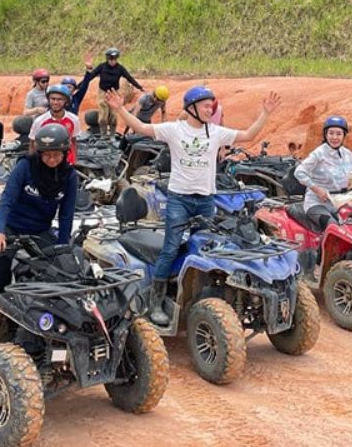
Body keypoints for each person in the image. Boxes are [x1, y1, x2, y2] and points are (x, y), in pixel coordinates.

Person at [107, 85, 280, 324]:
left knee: (205, 249)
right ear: (192, 108)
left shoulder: (216, 132)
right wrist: (119, 110)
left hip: (206, 200)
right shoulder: (174, 130)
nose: (211, 109)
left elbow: (248, 135)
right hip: (179, 199)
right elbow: (141, 127)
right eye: (206, 105)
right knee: (171, 248)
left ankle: (198, 298)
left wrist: (265, 113)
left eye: (212, 105)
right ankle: (156, 302)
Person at [0, 124, 78, 291]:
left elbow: (67, 213)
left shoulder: (70, 176)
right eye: (47, 155)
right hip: (11, 226)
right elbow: (7, 198)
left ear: (65, 153)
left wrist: (63, 247)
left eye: (56, 155)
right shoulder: (25, 166)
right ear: (39, 153)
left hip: (40, 230)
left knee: (61, 271)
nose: (51, 159)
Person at [293, 116, 352, 225]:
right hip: (317, 203)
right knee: (333, 227)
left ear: (344, 135)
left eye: (338, 134)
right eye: (331, 133)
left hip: (340, 202)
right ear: (326, 135)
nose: (334, 137)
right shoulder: (318, 153)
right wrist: (317, 190)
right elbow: (299, 172)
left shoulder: (347, 154)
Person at [89, 47, 144, 136]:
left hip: (114, 92)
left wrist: (139, 87)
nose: (113, 61)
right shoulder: (102, 67)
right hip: (103, 92)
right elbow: (91, 76)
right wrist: (79, 85)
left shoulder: (120, 68)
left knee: (114, 115)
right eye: (111, 59)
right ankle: (103, 135)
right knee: (103, 115)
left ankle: (112, 135)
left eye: (114, 59)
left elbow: (129, 77)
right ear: (107, 59)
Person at [28, 85, 81, 164]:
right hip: (47, 162)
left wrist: (74, 161)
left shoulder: (74, 119)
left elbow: (73, 142)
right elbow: (33, 144)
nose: (55, 102)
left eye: (59, 99)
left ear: (66, 101)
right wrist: (33, 163)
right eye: (53, 99)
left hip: (67, 161)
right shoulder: (39, 121)